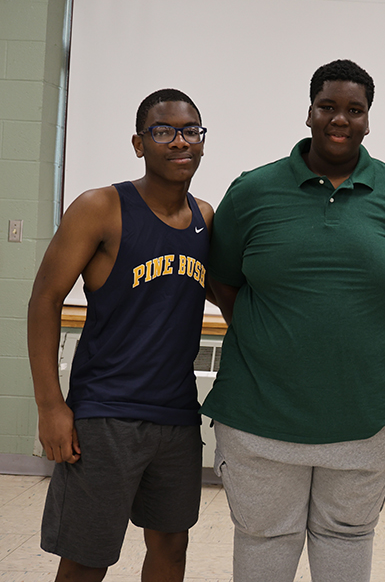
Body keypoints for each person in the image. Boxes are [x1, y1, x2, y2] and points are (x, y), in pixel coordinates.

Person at [201, 59, 385, 582]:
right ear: (309, 111)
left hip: (367, 420)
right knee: (264, 541)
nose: (340, 119)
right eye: (328, 106)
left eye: (355, 109)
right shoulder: (253, 192)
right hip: (259, 419)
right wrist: (269, 337)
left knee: (346, 541)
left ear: (370, 119)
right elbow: (224, 283)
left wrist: (370, 334)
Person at [28, 89, 213, 581]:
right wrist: (51, 407)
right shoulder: (100, 207)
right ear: (138, 143)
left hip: (176, 416)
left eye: (190, 131)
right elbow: (44, 301)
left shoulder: (205, 217)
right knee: (88, 559)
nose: (179, 142)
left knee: (172, 550)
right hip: (105, 414)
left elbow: (233, 293)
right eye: (163, 131)